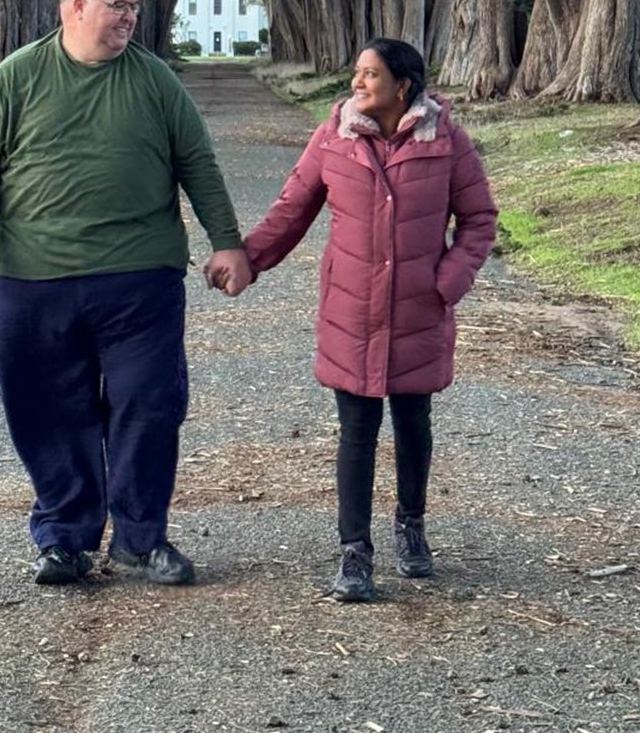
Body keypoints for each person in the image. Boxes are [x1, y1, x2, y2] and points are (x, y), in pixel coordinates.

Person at [0, 0, 247, 588]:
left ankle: (140, 540)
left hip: (140, 279)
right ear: (76, 6)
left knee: (149, 403)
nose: (130, 18)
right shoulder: (17, 77)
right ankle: (64, 539)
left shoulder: (155, 81)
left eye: (135, 8)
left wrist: (227, 243)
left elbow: (199, 165)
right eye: (119, 6)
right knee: (48, 410)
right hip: (30, 279)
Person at [207, 39, 497, 603]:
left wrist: (449, 281)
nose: (357, 84)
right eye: (357, 74)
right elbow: (291, 210)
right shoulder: (334, 135)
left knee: (414, 426)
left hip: (418, 310)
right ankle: (354, 552)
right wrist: (249, 261)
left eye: (369, 75)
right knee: (356, 432)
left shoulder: (445, 141)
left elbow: (479, 219)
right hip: (352, 312)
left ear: (403, 86)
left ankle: (411, 526)